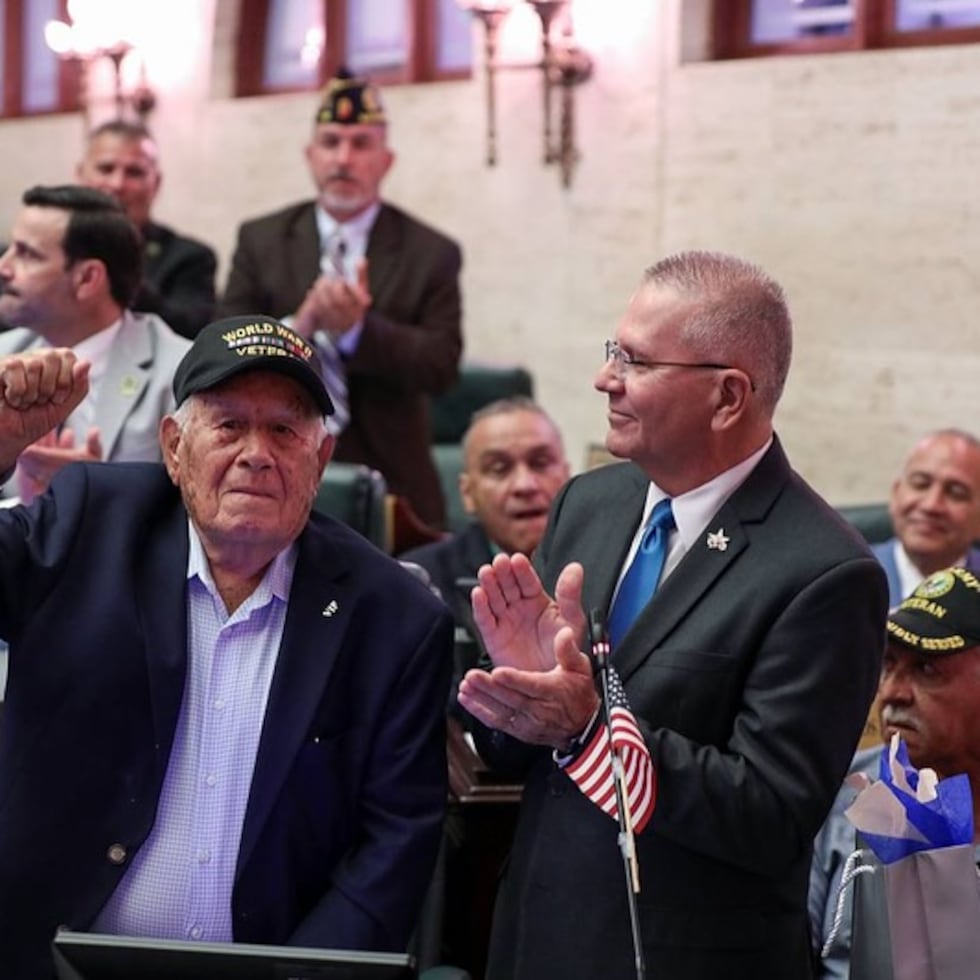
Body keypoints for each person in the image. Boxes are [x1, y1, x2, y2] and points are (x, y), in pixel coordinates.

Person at [456, 250, 890, 980]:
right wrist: (516, 693)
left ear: (727, 397)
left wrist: (592, 730)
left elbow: (770, 815)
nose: (606, 378)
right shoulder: (589, 503)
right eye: (613, 351)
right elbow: (513, 747)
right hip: (537, 934)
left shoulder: (825, 572)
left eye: (636, 361)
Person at [0, 315, 453, 980]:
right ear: (174, 447)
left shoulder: (394, 619)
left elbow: (394, 842)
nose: (256, 453)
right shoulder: (90, 523)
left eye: (285, 430)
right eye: (229, 425)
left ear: (320, 459)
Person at [219, 69, 463, 528]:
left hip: (394, 482)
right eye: (330, 143)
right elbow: (221, 348)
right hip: (271, 469)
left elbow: (441, 366)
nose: (343, 159)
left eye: (360, 144)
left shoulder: (430, 252)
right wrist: (301, 326)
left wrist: (358, 331)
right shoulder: (262, 239)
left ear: (386, 161)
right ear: (310, 156)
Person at [809, 565, 980, 978]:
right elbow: (790, 952)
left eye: (926, 669)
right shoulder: (840, 787)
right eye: (888, 665)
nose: (891, 693)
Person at [0, 184, 191, 503]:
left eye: (27, 254)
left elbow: (195, 509)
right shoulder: (5, 356)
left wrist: (97, 490)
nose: (3, 267)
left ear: (87, 279)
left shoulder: (179, 373)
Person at [402, 395, 570, 652]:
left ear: (568, 476)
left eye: (540, 464)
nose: (525, 485)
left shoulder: (609, 564)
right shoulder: (421, 581)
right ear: (468, 493)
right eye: (499, 468)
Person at [76, 119, 217, 339]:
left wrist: (117, 267)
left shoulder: (190, 258)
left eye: (134, 172)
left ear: (156, 183)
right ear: (80, 175)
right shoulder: (49, 252)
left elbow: (193, 332)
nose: (117, 184)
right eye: (106, 169)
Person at [872, 429, 980, 606]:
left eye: (956, 493)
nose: (931, 505)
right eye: (920, 484)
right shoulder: (847, 578)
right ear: (895, 494)